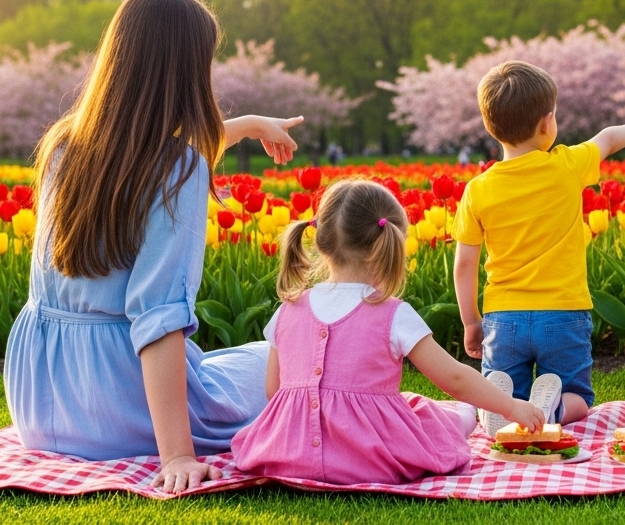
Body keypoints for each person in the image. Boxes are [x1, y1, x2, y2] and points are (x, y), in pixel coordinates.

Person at [4, 0, 305, 494]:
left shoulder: (61, 146)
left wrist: (248, 125)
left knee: (234, 363)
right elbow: (159, 318)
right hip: (119, 405)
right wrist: (178, 456)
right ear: (186, 70)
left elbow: (141, 152)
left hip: (40, 400)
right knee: (277, 363)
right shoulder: (178, 171)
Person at [231, 179, 546, 485]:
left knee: (413, 407)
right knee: (431, 418)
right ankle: (469, 417)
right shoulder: (392, 313)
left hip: (287, 456)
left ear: (322, 242)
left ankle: (463, 416)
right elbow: (455, 378)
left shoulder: (289, 308)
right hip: (370, 460)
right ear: (389, 244)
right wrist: (510, 406)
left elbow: (274, 390)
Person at [453, 61, 625, 430]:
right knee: (580, 396)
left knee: (502, 389)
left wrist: (471, 320)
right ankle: (554, 411)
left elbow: (465, 264)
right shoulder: (566, 165)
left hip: (505, 317)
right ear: (547, 123)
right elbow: (610, 137)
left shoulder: (478, 189)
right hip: (563, 313)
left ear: (490, 126)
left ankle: (499, 407)